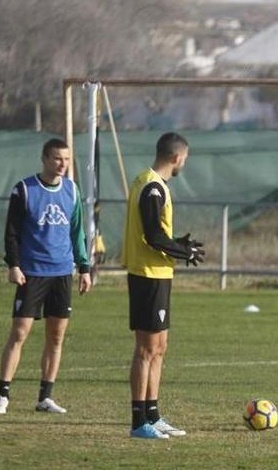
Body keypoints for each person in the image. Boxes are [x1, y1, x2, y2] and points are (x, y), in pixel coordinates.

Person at [0, 138, 92, 415]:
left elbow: (78, 232)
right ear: (45, 158)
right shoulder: (24, 189)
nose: (63, 164)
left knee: (56, 337)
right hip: (32, 273)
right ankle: (2, 395)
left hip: (62, 272)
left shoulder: (71, 190)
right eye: (58, 158)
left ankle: (45, 397)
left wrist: (84, 267)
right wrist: (14, 264)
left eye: (67, 159)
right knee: (19, 333)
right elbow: (11, 231)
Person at [121, 132, 204, 439]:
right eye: (185, 158)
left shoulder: (150, 183)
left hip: (159, 274)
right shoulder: (153, 187)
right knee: (145, 349)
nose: (184, 163)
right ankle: (137, 422)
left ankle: (153, 416)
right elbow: (153, 237)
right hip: (147, 275)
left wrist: (179, 244)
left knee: (159, 348)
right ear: (176, 158)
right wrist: (185, 252)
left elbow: (158, 233)